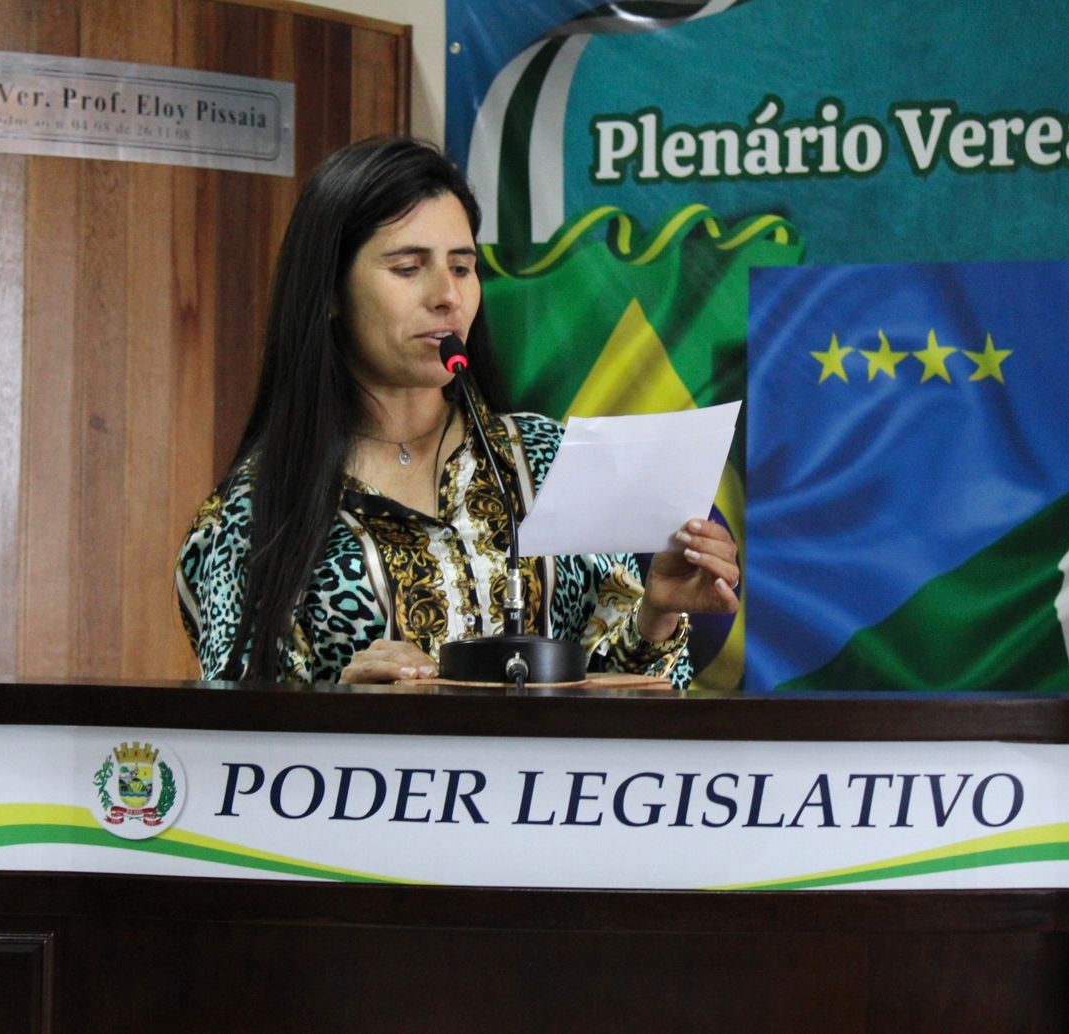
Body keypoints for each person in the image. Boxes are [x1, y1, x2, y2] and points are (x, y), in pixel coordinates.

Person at [175, 136, 739, 687]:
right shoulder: (259, 509)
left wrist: (657, 613)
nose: (447, 295)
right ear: (330, 292)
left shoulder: (547, 459)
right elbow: (237, 727)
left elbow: (622, 700)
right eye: (408, 267)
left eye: (463, 268)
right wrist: (342, 702)